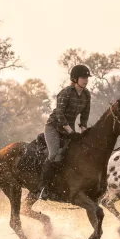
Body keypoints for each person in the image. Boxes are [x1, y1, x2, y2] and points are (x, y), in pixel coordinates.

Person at [38, 64, 92, 200]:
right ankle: (43, 188)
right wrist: (70, 130)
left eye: (87, 77)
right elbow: (59, 114)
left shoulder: (86, 94)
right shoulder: (66, 92)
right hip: (53, 127)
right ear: (75, 78)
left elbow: (85, 115)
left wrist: (83, 130)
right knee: (54, 152)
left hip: (69, 130)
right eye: (83, 77)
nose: (86, 80)